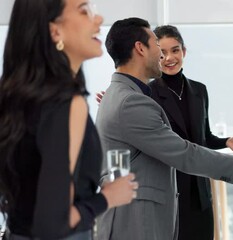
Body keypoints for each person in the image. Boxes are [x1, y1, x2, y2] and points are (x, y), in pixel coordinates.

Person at [95, 17, 233, 240]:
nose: (163, 56)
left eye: (175, 50)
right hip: (136, 219)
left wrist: (227, 144)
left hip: (143, 212)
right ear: (140, 48)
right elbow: (182, 152)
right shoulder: (131, 102)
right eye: (156, 44)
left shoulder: (122, 95)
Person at [0, 0, 138, 239]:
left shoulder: (20, 99)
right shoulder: (66, 105)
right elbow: (52, 223)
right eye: (84, 11)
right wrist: (107, 197)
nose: (98, 19)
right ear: (55, 30)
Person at [150, 25, 233, 240]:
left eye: (175, 50)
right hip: (170, 192)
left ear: (184, 52)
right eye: (162, 53)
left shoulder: (199, 90)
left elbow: (203, 139)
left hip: (200, 193)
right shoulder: (147, 93)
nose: (169, 58)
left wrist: (226, 141)